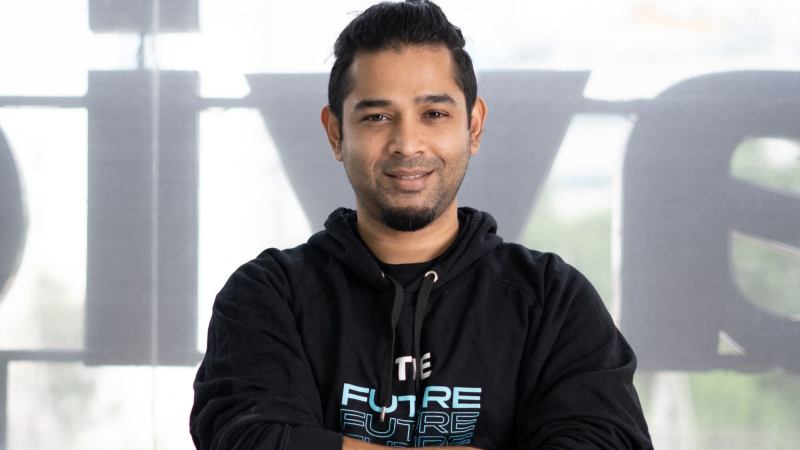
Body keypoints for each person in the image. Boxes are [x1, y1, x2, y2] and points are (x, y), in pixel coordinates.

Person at [190, 1, 652, 449]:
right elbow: (247, 436)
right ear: (336, 133)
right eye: (377, 117)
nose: (407, 144)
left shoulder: (552, 299)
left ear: (473, 126)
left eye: (434, 114)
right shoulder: (268, 295)